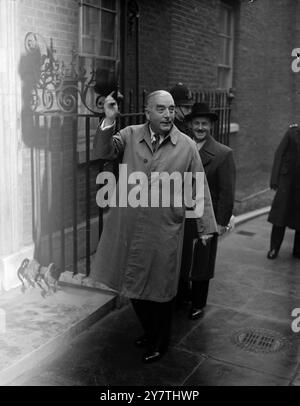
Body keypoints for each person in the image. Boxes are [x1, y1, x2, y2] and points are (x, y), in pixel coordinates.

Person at [91, 90, 217, 363]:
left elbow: (199, 186)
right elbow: (102, 151)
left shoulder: (186, 146)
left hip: (164, 228)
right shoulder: (129, 135)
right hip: (130, 225)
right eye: (161, 109)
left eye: (171, 109)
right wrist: (109, 118)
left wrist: (206, 225)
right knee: (133, 283)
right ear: (148, 112)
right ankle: (149, 332)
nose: (168, 114)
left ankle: (160, 341)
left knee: (160, 290)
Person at [178, 102, 236, 320]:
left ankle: (198, 303)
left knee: (202, 261)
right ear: (190, 125)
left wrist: (220, 223)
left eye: (204, 124)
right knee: (182, 258)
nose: (200, 128)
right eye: (196, 123)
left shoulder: (223, 154)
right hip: (182, 215)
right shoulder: (182, 148)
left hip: (205, 217)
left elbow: (226, 193)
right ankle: (182, 296)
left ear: (210, 126)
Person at [267, 124, 300, 259]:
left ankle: (298, 250)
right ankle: (274, 248)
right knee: (280, 216)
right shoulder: (292, 132)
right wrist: (275, 179)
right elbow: (279, 153)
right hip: (287, 181)